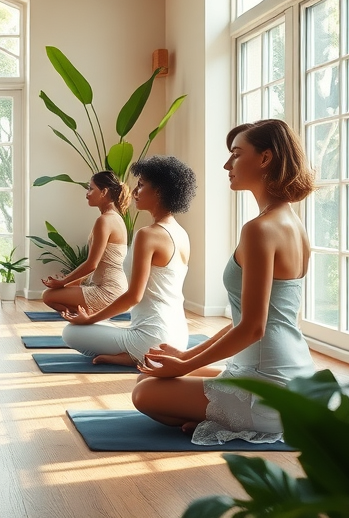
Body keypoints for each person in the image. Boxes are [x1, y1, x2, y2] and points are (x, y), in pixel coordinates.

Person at [131, 119, 316, 446]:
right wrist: (184, 358)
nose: (227, 164)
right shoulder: (293, 223)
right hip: (295, 376)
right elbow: (245, 321)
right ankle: (213, 412)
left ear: (265, 158)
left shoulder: (260, 229)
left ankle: (228, 416)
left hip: (269, 385)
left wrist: (182, 366)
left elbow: (252, 328)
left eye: (236, 154)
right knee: (155, 376)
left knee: (145, 392)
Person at [61, 156, 197, 367]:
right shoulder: (181, 233)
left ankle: (136, 355)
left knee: (70, 332)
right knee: (101, 327)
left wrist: (89, 319)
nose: (134, 192)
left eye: (141, 186)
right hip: (178, 337)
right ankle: (134, 353)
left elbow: (134, 296)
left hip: (153, 338)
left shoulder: (148, 234)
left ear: (159, 191)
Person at [41, 170, 130, 314]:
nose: (87, 193)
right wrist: (68, 283)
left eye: (90, 188)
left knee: (48, 296)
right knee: (56, 293)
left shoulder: (104, 220)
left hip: (109, 292)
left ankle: (86, 317)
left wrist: (63, 282)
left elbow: (91, 264)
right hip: (117, 289)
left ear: (104, 192)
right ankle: (86, 315)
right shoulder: (116, 218)